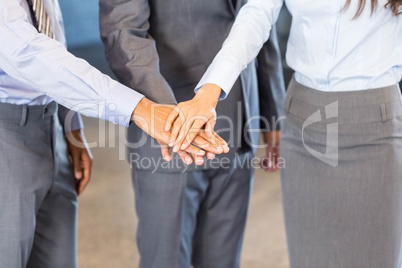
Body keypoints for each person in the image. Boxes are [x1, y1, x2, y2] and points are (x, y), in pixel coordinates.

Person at [165, 0, 402, 267]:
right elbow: (257, 14)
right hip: (304, 120)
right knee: (309, 258)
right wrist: (210, 91)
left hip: (373, 125)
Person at [0, 1, 227, 267]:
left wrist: (70, 125)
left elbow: (51, 36)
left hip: (51, 126)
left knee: (58, 258)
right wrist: (141, 109)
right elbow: (27, 53)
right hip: (7, 132)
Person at [99, 0, 285, 267]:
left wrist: (271, 109)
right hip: (169, 132)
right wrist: (174, 121)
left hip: (241, 122)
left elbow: (258, 14)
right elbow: (123, 32)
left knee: (223, 260)